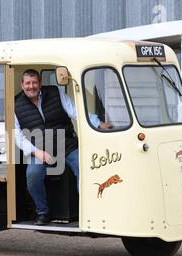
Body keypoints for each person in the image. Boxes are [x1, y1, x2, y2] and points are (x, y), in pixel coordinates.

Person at [14, 69, 112, 225]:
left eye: (34, 82)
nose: (31, 86)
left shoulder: (54, 92)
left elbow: (76, 111)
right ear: (22, 84)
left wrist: (98, 123)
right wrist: (36, 152)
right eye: (27, 83)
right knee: (32, 177)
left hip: (67, 144)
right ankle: (42, 212)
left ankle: (89, 211)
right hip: (40, 150)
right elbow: (17, 135)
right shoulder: (15, 104)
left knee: (85, 168)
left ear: (40, 83)